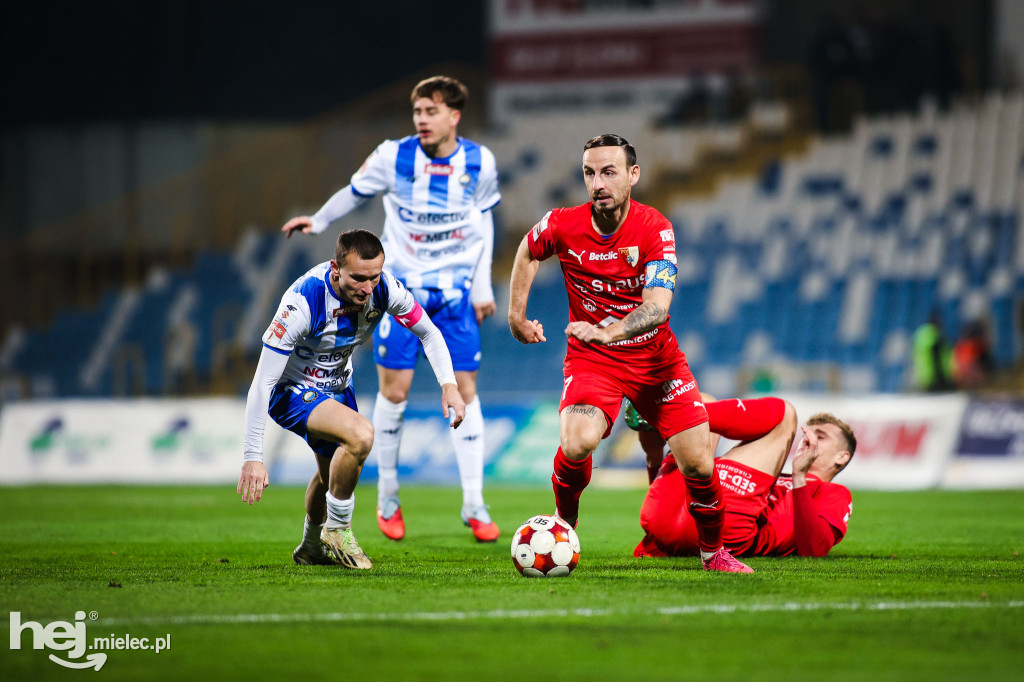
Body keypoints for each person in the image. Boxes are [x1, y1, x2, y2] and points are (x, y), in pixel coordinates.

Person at [508, 133, 752, 573]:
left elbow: (658, 308)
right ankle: (564, 522)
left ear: (633, 175)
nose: (597, 183)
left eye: (608, 171)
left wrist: (610, 331)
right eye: (589, 173)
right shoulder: (563, 223)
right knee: (577, 441)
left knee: (698, 462)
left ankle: (713, 554)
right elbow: (528, 249)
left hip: (657, 362)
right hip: (593, 362)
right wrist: (516, 317)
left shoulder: (655, 227)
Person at [280, 76, 501, 543]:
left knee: (465, 391)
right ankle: (388, 496)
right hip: (403, 292)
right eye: (417, 111)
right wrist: (319, 219)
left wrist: (482, 285)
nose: (421, 119)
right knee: (395, 392)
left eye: (431, 111)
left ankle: (475, 503)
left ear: (454, 116)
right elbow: (355, 190)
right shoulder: (392, 156)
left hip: (457, 293)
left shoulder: (481, 162)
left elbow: (484, 220)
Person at [236, 229, 466, 570]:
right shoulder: (304, 301)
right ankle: (338, 529)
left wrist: (449, 385)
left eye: (373, 277)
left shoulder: (385, 288)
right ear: (335, 269)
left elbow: (429, 332)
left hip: (338, 385)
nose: (367, 287)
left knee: (330, 477)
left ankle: (311, 547)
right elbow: (262, 383)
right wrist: (253, 456)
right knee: (361, 434)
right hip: (291, 391)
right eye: (358, 277)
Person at [629, 396, 855, 559]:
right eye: (807, 433)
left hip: (723, 534)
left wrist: (799, 477)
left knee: (786, 414)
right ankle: (660, 432)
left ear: (841, 457)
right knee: (703, 402)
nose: (807, 439)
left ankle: (667, 413)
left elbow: (813, 549)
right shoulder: (770, 475)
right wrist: (655, 460)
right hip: (664, 526)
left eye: (820, 437)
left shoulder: (834, 493)